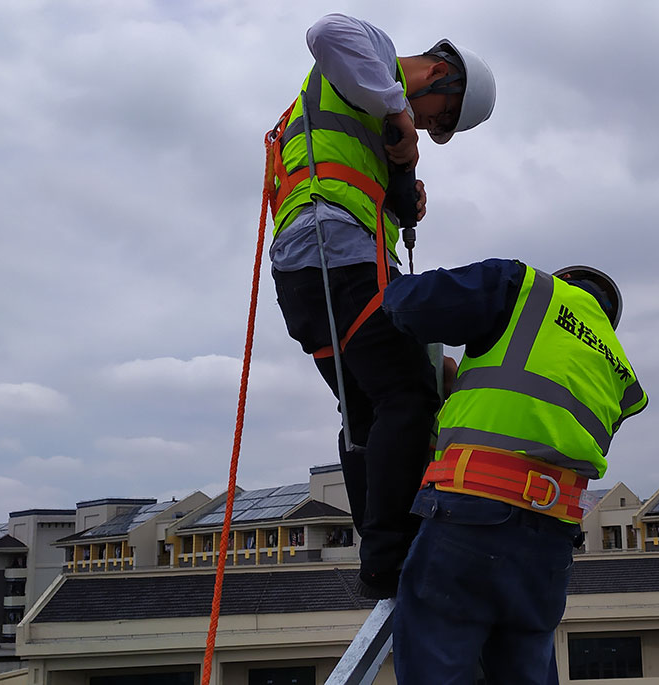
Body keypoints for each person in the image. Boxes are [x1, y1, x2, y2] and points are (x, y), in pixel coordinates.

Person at [266, 13, 497, 599]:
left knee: (366, 411)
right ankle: (391, 555)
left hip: (306, 270)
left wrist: (398, 198)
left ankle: (379, 559)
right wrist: (399, 113)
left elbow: (349, 167)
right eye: (438, 116)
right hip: (336, 250)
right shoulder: (377, 58)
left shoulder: (365, 104)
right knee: (409, 396)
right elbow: (325, 32)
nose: (427, 127)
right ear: (441, 75)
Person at [382, 259, 648, 684]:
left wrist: (387, 283)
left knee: (436, 663)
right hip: (549, 541)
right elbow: (536, 425)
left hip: (470, 518)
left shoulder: (527, 290)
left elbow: (412, 305)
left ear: (563, 283)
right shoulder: (620, 374)